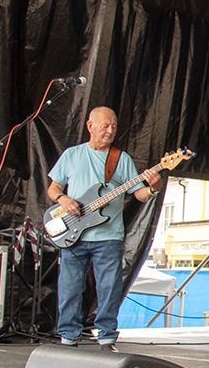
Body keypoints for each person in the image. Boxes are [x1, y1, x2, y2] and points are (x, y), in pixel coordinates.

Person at [47, 107, 163, 349]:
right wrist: (64, 200)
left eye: (114, 126)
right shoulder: (72, 155)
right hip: (73, 235)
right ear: (90, 126)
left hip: (109, 236)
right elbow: (53, 188)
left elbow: (138, 194)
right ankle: (69, 334)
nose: (110, 131)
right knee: (70, 287)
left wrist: (152, 188)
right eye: (105, 126)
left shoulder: (121, 159)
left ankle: (107, 335)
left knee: (109, 288)